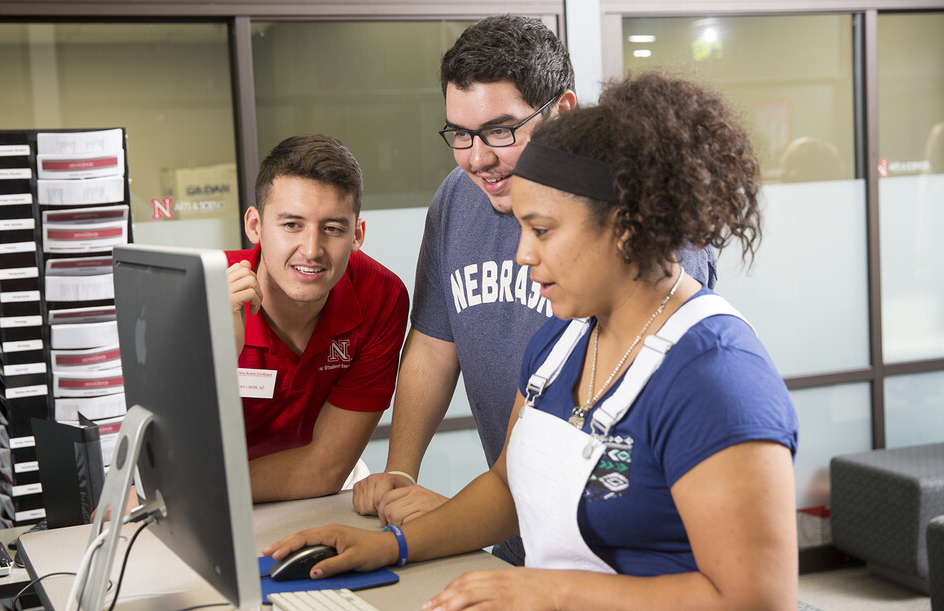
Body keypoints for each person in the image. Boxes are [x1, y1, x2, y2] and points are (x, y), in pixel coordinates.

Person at [266, 73, 799, 609]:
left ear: (628, 226)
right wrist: (392, 546)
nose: (522, 254)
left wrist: (550, 591)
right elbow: (506, 488)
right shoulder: (561, 342)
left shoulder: (717, 375)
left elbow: (757, 598)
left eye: (541, 230)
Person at [352, 14, 717, 566]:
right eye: (461, 134)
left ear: (561, 112)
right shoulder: (548, 349)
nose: (477, 158)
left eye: (501, 131)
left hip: (626, 555)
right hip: (532, 532)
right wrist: (401, 501)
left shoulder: (648, 238)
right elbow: (437, 351)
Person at [225, 133, 409, 502]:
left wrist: (201, 491)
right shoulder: (202, 294)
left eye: (333, 228)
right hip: (216, 493)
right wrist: (217, 353)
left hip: (314, 491)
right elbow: (174, 453)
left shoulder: (381, 296)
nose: (311, 250)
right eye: (292, 224)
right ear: (255, 226)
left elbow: (325, 468)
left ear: (357, 234)